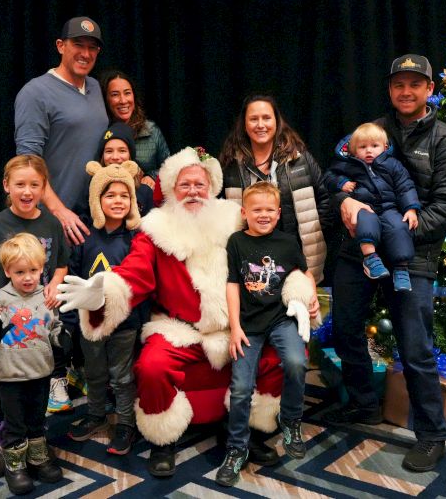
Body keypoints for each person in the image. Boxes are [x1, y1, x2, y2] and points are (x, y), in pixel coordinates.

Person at [57, 146, 317, 477]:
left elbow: (276, 258)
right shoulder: (155, 230)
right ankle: (163, 438)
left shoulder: (236, 218)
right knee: (151, 367)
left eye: (199, 184)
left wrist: (299, 292)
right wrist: (104, 294)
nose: (193, 191)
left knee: (283, 354)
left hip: (241, 325)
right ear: (170, 189)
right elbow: (135, 271)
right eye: (184, 185)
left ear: (210, 187)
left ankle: (245, 429)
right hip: (180, 328)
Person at [324, 54, 446, 472]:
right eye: (398, 85)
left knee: (416, 347)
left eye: (415, 84)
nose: (406, 92)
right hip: (359, 253)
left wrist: (395, 236)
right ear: (390, 90)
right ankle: (365, 405)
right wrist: (344, 199)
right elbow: (333, 178)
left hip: (413, 256)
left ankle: (430, 434)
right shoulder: (370, 133)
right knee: (346, 329)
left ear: (429, 90)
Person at [216, 182, 317, 487]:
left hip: (281, 320)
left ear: (278, 213)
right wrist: (234, 327)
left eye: (269, 210)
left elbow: (305, 271)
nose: (263, 215)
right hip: (248, 324)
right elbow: (232, 284)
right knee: (242, 386)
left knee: (297, 363)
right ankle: (236, 448)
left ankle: (291, 420)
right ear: (244, 213)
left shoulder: (287, 242)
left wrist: (311, 296)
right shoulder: (236, 242)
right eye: (256, 210)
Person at [66, 160, 141, 455]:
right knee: (94, 373)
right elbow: (71, 277)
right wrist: (70, 323)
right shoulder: (84, 237)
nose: (118, 201)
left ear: (132, 201)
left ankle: (125, 424)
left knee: (122, 377)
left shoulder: (136, 239)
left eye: (124, 195)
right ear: (97, 200)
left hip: (126, 323)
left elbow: (143, 283)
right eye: (110, 195)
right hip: (90, 322)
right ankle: (96, 416)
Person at [15, 16, 108, 245]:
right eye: (78, 45)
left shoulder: (95, 87)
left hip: (90, 220)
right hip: (49, 222)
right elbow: (27, 163)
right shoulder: (35, 92)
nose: (85, 54)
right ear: (60, 45)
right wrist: (59, 211)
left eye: (92, 47)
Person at [219, 93, 328, 284]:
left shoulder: (299, 159)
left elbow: (325, 199)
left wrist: (314, 234)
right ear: (244, 124)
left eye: (266, 118)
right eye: (253, 119)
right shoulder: (230, 164)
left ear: (277, 121)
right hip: (250, 265)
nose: (261, 125)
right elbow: (217, 211)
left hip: (299, 262)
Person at [0, 155, 72, 414]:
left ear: (43, 187)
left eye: (35, 185)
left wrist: (55, 284)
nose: (27, 191)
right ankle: (4, 417)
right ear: (7, 185)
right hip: (5, 312)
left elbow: (61, 263)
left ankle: (55, 385)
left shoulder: (51, 223)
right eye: (20, 184)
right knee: (8, 364)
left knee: (47, 353)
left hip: (43, 306)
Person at [0, 234, 64, 495]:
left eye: (33, 270)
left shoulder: (46, 297)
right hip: (10, 377)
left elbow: (53, 327)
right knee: (15, 423)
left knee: (36, 419)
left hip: (40, 372)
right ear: (7, 270)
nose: (27, 277)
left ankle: (37, 457)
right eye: (20, 271)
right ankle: (15, 465)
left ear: (42, 268)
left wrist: (62, 338)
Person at [324, 123, 421, 292]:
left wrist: (411, 208)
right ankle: (370, 258)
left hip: (390, 208)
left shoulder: (393, 164)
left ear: (384, 147)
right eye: (363, 147)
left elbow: (405, 186)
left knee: (399, 226)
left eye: (374, 146)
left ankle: (401, 269)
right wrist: (342, 183)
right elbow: (329, 177)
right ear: (353, 151)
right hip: (365, 207)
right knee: (365, 221)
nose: (369, 151)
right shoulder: (348, 166)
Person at [100, 70, 170, 189]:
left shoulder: (150, 130)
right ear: (106, 99)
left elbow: (170, 166)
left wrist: (151, 176)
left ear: (134, 96)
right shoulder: (100, 131)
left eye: (127, 93)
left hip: (147, 201)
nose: (123, 100)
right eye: (115, 94)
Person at [96, 121, 153, 216]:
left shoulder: (145, 192)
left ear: (130, 155)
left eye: (122, 151)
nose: (115, 157)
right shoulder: (92, 188)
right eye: (109, 151)